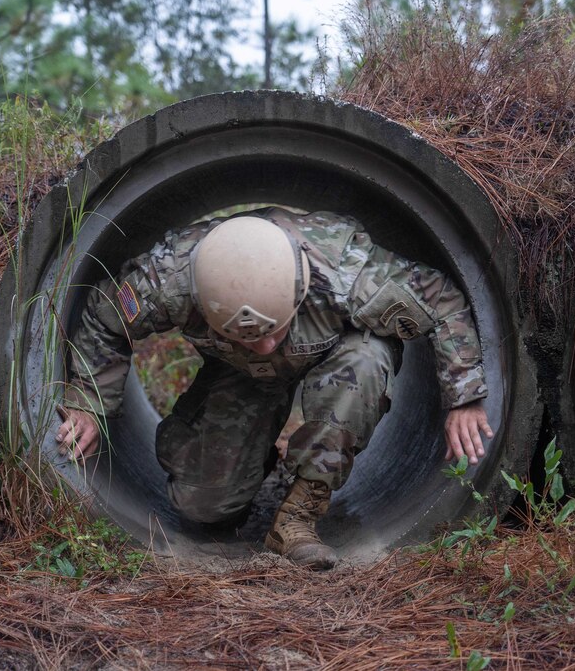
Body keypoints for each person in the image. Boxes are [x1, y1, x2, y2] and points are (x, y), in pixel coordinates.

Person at [54, 207, 493, 570]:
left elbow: (442, 301)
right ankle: (253, 458)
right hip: (243, 376)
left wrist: (465, 395)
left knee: (366, 358)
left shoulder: (345, 271)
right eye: (248, 334)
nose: (265, 344)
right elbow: (105, 316)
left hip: (339, 357)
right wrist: (88, 403)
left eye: (273, 330)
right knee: (203, 506)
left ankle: (298, 517)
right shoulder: (169, 279)